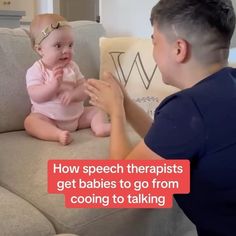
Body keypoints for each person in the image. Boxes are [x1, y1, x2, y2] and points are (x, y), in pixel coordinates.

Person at [85, 0, 236, 235]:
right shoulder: (223, 89)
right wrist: (124, 102)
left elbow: (122, 189)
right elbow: (168, 143)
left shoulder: (189, 108)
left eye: (154, 41)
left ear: (179, 49)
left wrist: (116, 113)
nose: (153, 50)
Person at [24, 13, 110, 145]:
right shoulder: (36, 70)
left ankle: (100, 127)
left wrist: (74, 94)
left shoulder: (72, 67)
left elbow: (84, 87)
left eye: (70, 45)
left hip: (77, 117)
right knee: (30, 122)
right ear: (40, 49)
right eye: (58, 46)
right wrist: (52, 86)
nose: (66, 50)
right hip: (49, 119)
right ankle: (57, 134)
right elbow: (35, 95)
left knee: (97, 110)